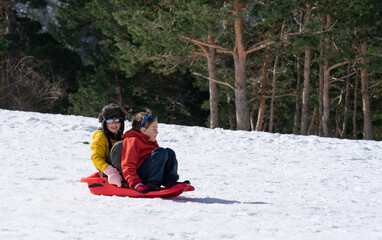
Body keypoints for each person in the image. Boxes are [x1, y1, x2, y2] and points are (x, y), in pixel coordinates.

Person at [109, 111, 189, 193]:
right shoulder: (133, 141)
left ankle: (170, 181)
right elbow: (128, 164)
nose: (157, 132)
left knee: (169, 152)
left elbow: (160, 161)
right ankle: (153, 183)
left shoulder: (149, 140)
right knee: (161, 152)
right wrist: (134, 182)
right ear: (143, 130)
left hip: (150, 172)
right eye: (154, 129)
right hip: (139, 177)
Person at [90, 103, 126, 187]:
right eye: (110, 121)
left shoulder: (122, 136)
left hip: (123, 169)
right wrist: (110, 171)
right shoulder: (100, 137)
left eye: (117, 120)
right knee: (119, 146)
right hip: (108, 173)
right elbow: (96, 157)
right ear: (104, 123)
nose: (114, 124)